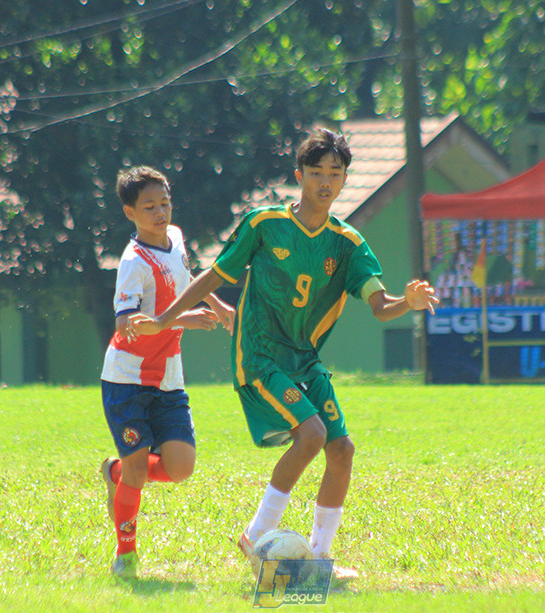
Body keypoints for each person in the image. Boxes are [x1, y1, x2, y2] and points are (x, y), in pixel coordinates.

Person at [126, 128, 438, 581]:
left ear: (346, 179)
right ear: (300, 176)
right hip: (259, 354)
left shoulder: (348, 244)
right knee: (310, 434)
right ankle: (255, 535)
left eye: (335, 173)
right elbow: (214, 276)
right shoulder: (264, 224)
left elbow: (379, 306)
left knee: (342, 449)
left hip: (303, 361)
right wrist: (165, 318)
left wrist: (406, 303)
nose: (325, 181)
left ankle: (318, 558)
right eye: (316, 173)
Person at [99, 166, 234, 580]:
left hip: (168, 378)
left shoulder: (174, 238)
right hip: (127, 380)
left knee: (180, 468)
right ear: (130, 213)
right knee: (142, 471)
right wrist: (182, 321)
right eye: (149, 207)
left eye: (164, 203)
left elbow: (187, 278)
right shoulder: (132, 262)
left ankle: (116, 472)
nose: (160, 212)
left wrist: (217, 307)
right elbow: (126, 323)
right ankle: (126, 554)